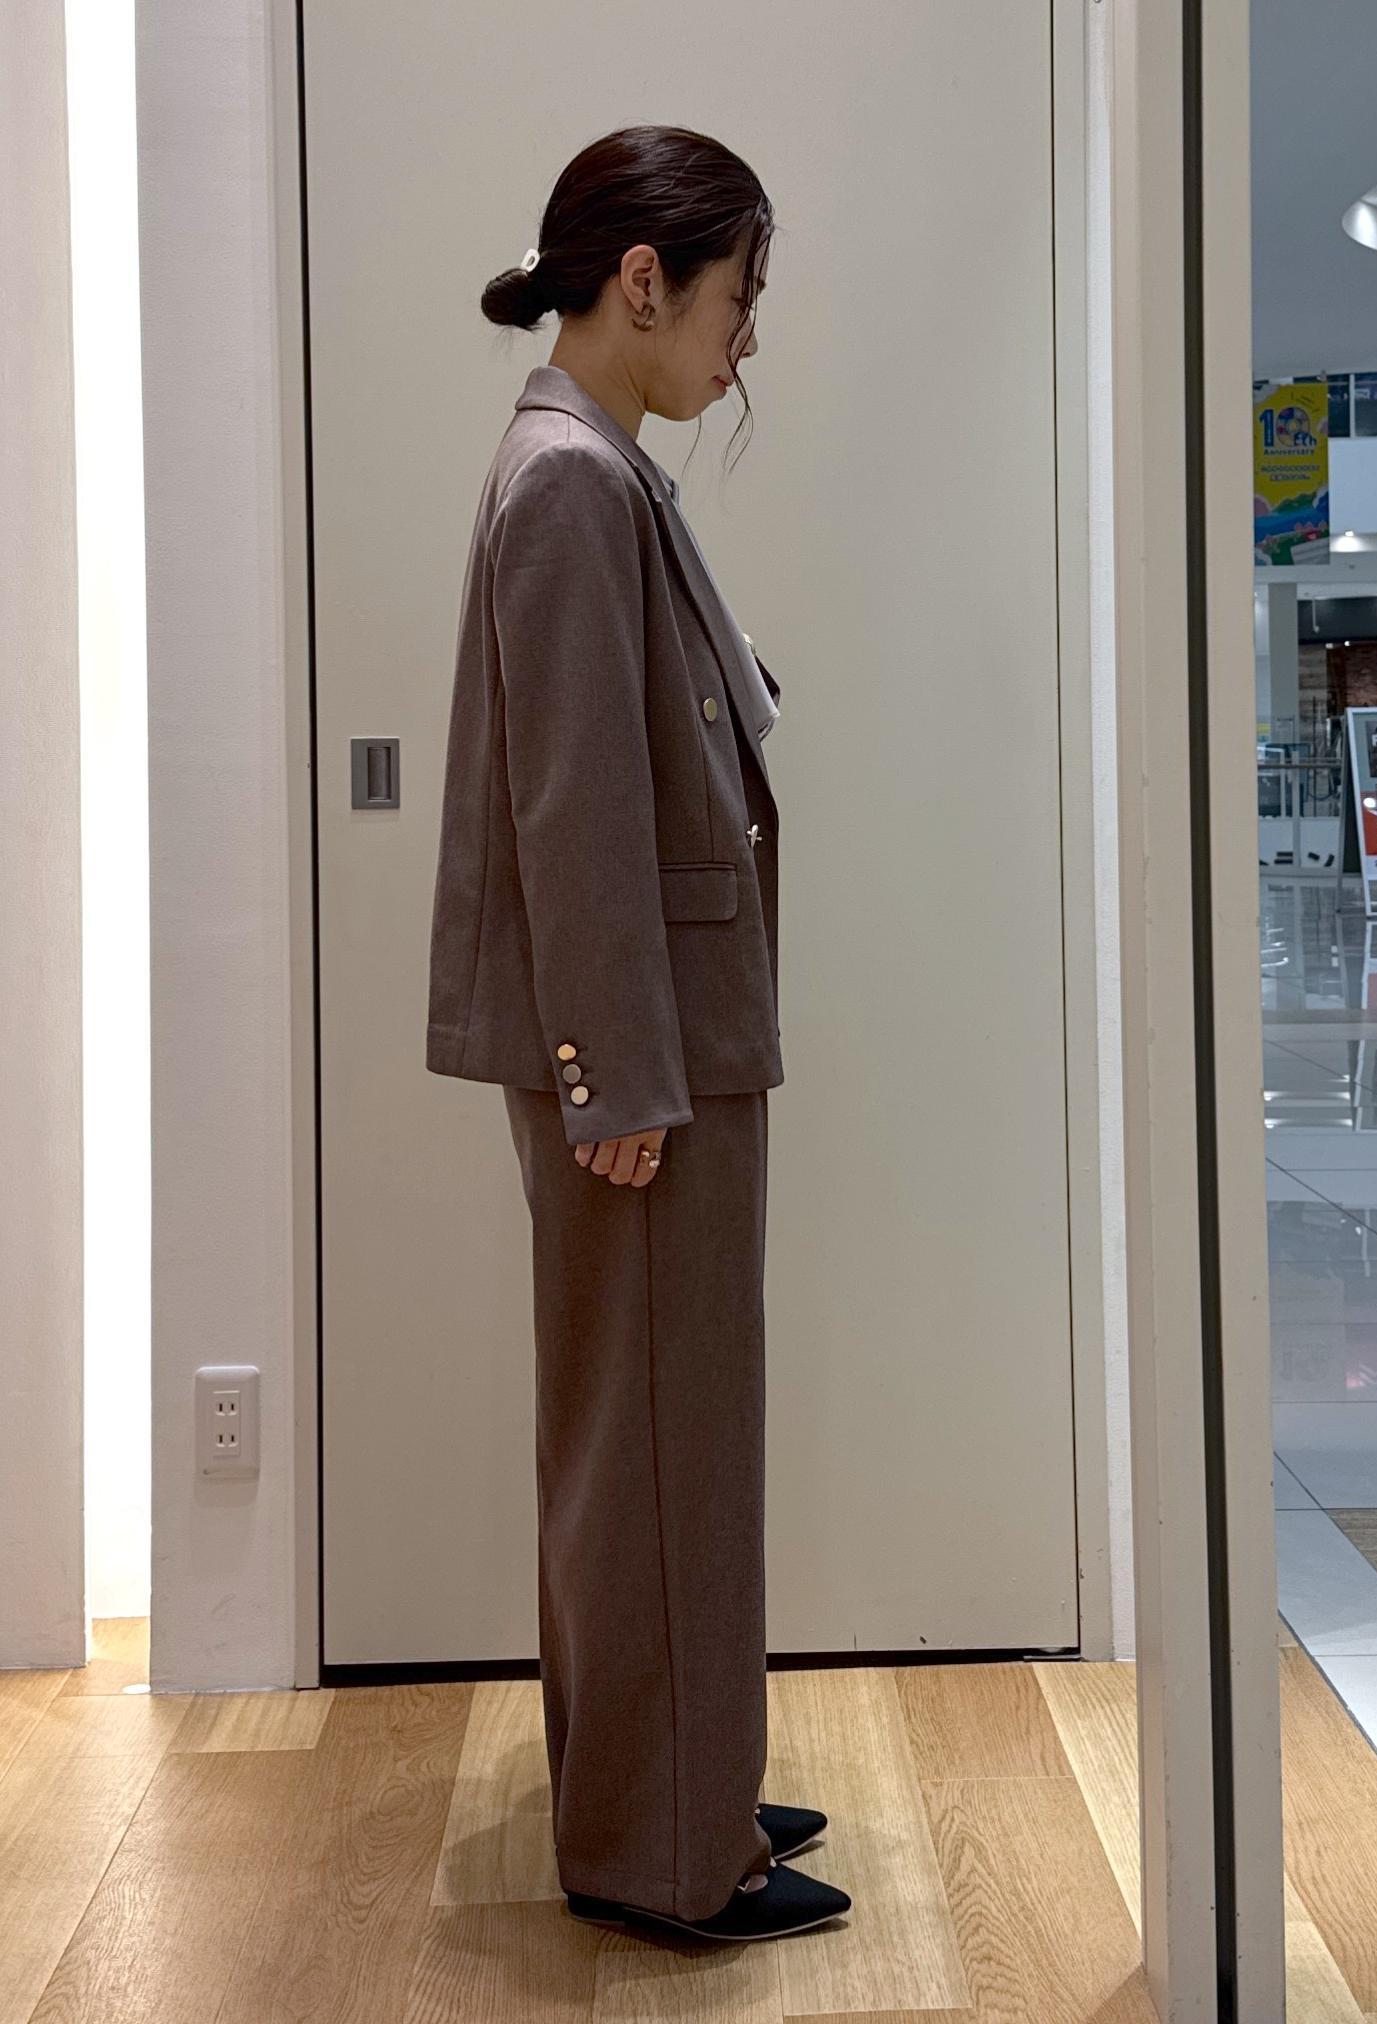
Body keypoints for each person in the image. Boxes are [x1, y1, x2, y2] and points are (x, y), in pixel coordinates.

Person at [425, 124, 851, 1944]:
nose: (746, 341)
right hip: (646, 1051)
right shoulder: (570, 481)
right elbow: (574, 805)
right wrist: (615, 1071)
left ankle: (670, 1780)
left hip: (667, 1035)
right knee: (658, 1445)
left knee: (655, 1435)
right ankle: (662, 1851)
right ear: (645, 278)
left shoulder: (593, 464)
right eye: (739, 297)